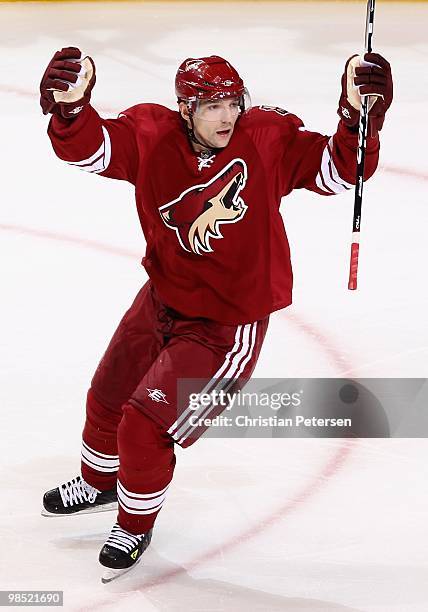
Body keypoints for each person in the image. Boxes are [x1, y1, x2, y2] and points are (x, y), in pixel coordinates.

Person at [40, 48, 393, 580]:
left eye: (233, 102)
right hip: (162, 297)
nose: (227, 115)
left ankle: (134, 524)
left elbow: (340, 172)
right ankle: (98, 481)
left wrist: (356, 117)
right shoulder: (150, 135)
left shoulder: (266, 139)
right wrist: (70, 113)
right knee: (108, 392)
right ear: (184, 108)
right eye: (212, 105)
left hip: (226, 324)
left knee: (144, 425)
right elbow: (90, 150)